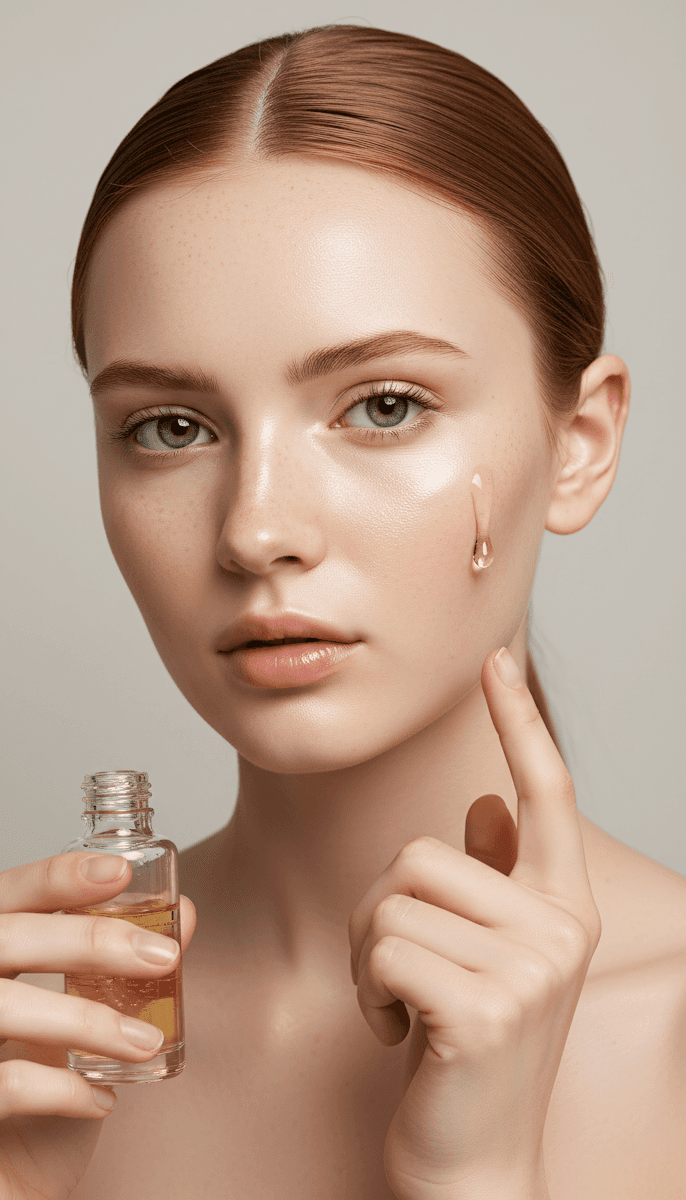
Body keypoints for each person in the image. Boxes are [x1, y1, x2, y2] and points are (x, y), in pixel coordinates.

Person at [1, 23, 684, 1200]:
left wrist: (476, 1176)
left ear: (578, 445)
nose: (256, 528)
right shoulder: (44, 1035)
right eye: (171, 427)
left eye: (381, 407)